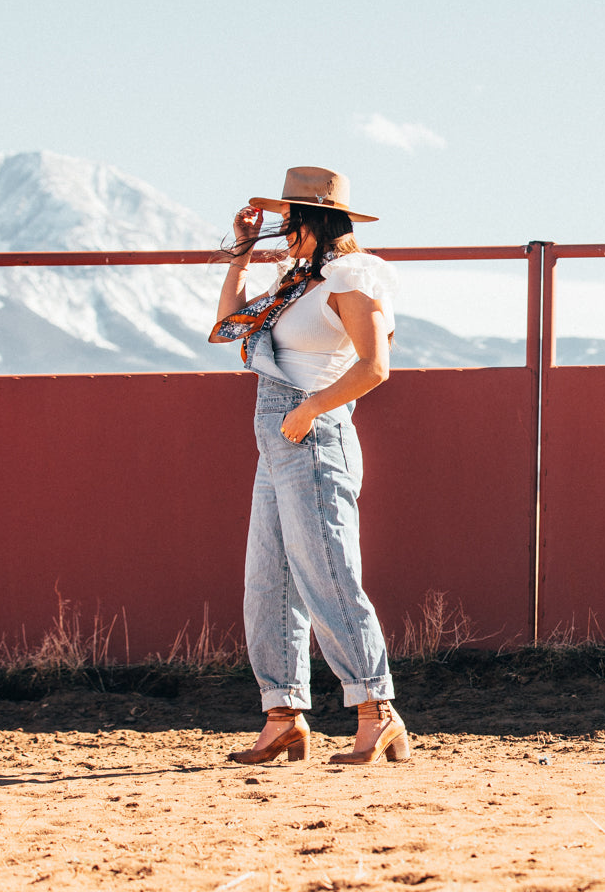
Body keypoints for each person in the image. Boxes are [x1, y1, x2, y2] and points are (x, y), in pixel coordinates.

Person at [209, 166, 410, 765]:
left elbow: (374, 365)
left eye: (289, 221)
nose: (282, 231)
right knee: (266, 581)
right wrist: (240, 256)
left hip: (312, 434)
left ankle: (378, 711)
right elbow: (227, 328)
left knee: (327, 576)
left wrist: (312, 410)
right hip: (278, 443)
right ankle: (282, 717)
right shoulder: (300, 280)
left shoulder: (352, 275)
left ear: (315, 221)